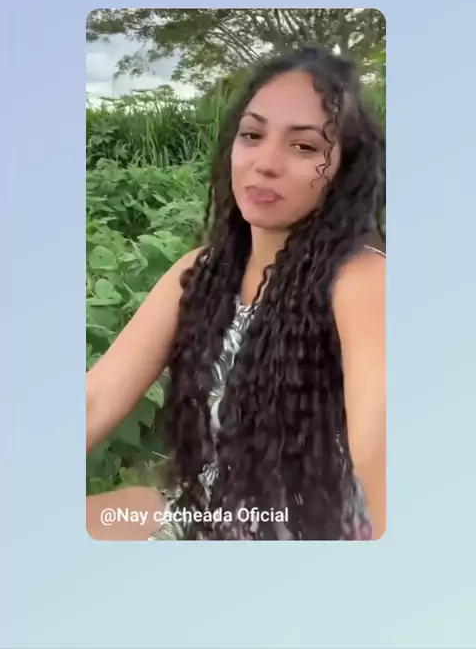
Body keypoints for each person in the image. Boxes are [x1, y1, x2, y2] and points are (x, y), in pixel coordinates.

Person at [86, 46, 386, 541]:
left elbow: (382, 459)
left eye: (304, 146)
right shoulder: (201, 272)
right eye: (252, 135)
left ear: (344, 171)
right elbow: (95, 399)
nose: (265, 163)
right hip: (200, 519)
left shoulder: (361, 282)